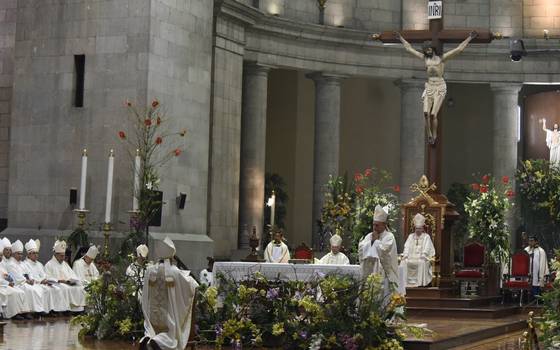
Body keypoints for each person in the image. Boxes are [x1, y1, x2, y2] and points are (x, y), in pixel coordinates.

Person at [396, 31, 477, 144]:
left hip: (439, 87)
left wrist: (469, 38)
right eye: (425, 50)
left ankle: (434, 134)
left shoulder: (441, 59)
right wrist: (401, 38)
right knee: (425, 113)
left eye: (428, 49)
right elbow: (410, 49)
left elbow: (458, 50)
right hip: (429, 86)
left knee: (433, 114)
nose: (427, 51)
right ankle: (429, 134)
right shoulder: (425, 59)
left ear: (432, 48)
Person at [140, 237, 199, 350]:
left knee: (153, 330)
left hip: (152, 317)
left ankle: (149, 338)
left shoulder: (150, 270)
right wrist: (193, 283)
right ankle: (160, 341)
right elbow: (189, 285)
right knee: (171, 334)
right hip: (167, 317)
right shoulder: (174, 272)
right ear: (172, 255)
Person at [358, 205, 400, 296]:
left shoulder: (389, 237)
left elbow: (385, 252)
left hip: (383, 273)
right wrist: (372, 241)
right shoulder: (369, 236)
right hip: (369, 271)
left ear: (384, 225)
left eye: (377, 225)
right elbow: (361, 249)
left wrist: (375, 241)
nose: (374, 227)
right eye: (373, 224)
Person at [24, 239, 69, 313]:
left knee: (56, 289)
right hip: (35, 284)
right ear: (28, 254)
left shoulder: (39, 264)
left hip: (43, 283)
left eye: (37, 253)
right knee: (43, 290)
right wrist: (41, 281)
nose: (36, 255)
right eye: (34, 253)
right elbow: (29, 277)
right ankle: (39, 311)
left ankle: (54, 310)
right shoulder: (25, 264)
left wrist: (46, 280)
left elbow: (44, 275)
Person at [6, 240, 49, 315]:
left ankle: (38, 310)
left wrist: (31, 279)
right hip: (19, 284)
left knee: (37, 288)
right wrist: (26, 281)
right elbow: (16, 277)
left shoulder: (22, 264)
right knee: (31, 290)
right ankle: (33, 311)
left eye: (21, 254)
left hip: (26, 282)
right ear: (13, 254)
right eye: (18, 254)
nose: (20, 256)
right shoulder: (10, 264)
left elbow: (28, 273)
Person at [44, 240, 86, 311]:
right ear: (56, 255)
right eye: (61, 256)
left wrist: (72, 280)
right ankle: (65, 310)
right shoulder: (49, 264)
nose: (63, 258)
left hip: (68, 283)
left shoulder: (65, 264)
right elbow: (48, 278)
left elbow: (73, 275)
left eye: (64, 256)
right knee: (65, 288)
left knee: (80, 288)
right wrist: (60, 280)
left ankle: (77, 309)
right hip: (57, 284)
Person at [401, 213, 436, 287]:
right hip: (410, 257)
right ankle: (405, 283)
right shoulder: (411, 236)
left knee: (422, 262)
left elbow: (427, 248)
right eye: (416, 228)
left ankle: (419, 283)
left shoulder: (426, 237)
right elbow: (406, 246)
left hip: (422, 257)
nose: (418, 230)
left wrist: (424, 255)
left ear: (423, 228)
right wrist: (406, 255)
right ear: (414, 228)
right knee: (404, 262)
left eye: (419, 228)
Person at [0, 240, 29, 319]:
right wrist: (7, 283)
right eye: (0, 255)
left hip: (5, 285)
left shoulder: (1, 264)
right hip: (2, 286)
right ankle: (13, 314)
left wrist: (10, 281)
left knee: (20, 291)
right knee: (13, 293)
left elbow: (6, 275)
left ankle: (23, 312)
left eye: (1, 255)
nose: (1, 257)